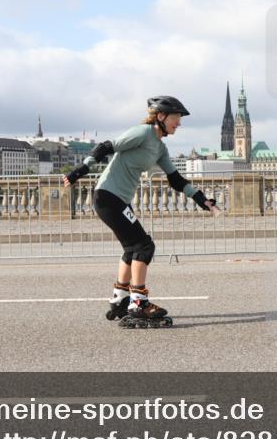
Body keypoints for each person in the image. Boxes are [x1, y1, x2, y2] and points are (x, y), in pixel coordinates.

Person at [63, 96, 219, 325]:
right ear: (161, 116)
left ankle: (120, 298)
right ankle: (138, 302)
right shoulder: (143, 133)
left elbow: (175, 180)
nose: (179, 123)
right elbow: (106, 146)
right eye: (176, 118)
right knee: (144, 246)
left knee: (132, 249)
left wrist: (201, 199)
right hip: (107, 196)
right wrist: (81, 169)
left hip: (119, 200)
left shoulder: (160, 148)